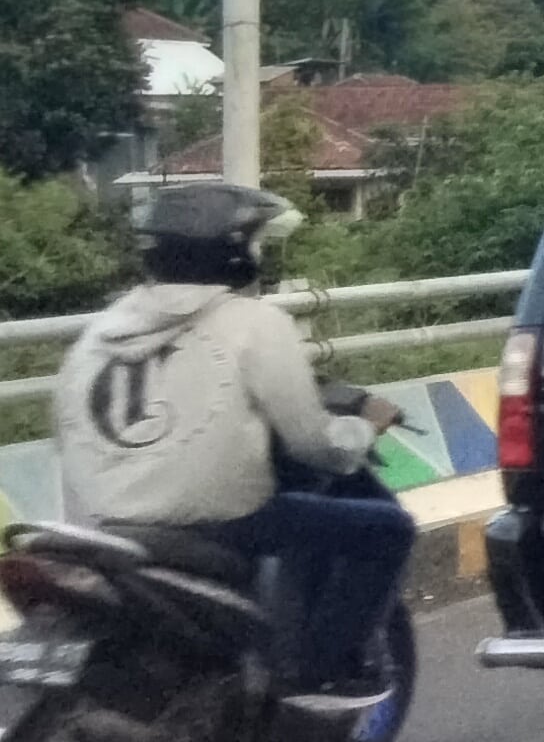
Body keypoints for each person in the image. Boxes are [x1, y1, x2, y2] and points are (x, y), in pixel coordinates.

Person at [44, 181, 411, 703]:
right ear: (233, 250)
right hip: (220, 524)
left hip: (104, 526)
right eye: (254, 241)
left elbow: (67, 431)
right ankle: (318, 670)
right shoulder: (255, 322)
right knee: (387, 529)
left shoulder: (99, 331)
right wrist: (363, 428)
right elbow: (312, 445)